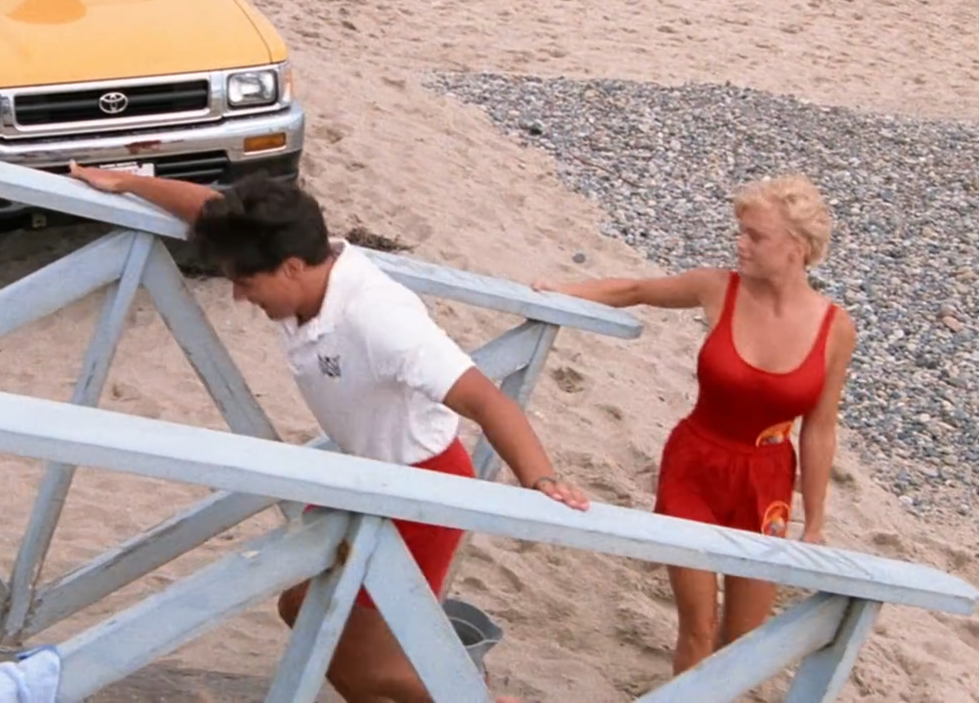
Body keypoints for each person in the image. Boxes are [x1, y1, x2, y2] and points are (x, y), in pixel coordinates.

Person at [67, 163, 589, 703]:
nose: (240, 298)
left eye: (246, 284)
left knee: (371, 665)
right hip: (362, 476)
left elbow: (485, 398)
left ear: (291, 267)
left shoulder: (382, 321)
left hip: (421, 494)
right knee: (302, 609)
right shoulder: (287, 253)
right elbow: (208, 206)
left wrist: (541, 478)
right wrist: (128, 183)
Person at [532, 174, 855, 676]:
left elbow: (820, 429)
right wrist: (559, 291)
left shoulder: (836, 328)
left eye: (754, 236)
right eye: (739, 231)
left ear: (796, 248)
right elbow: (637, 289)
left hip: (766, 480)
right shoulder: (717, 288)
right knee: (699, 626)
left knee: (742, 638)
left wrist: (814, 524)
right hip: (695, 464)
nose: (739, 244)